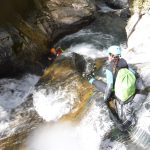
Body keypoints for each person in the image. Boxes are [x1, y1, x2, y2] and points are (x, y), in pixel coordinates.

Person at [84, 45, 146, 130]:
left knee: (103, 87)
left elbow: (109, 87)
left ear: (111, 55)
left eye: (108, 55)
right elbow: (131, 72)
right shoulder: (123, 61)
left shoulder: (109, 69)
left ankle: (90, 79)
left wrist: (106, 98)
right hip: (130, 89)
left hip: (121, 95)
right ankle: (91, 78)